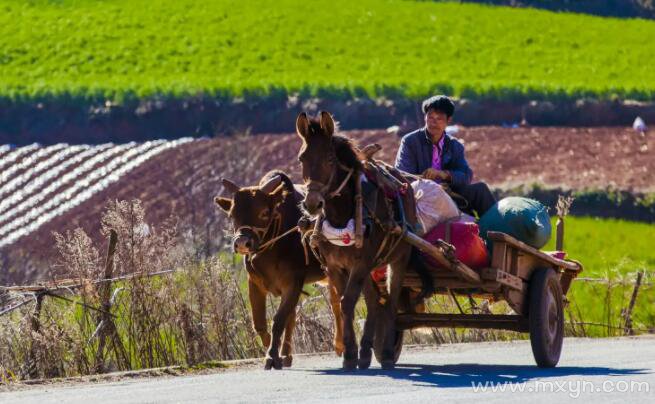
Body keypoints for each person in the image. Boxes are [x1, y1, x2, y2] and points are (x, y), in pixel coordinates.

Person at [394, 95, 496, 218]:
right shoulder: (410, 142)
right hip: (421, 197)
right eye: (430, 117)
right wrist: (431, 186)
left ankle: (495, 232)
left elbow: (465, 176)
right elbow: (403, 176)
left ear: (448, 120)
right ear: (425, 117)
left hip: (449, 194)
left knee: (481, 190)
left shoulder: (455, 145)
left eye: (439, 118)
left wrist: (444, 174)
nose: (433, 122)